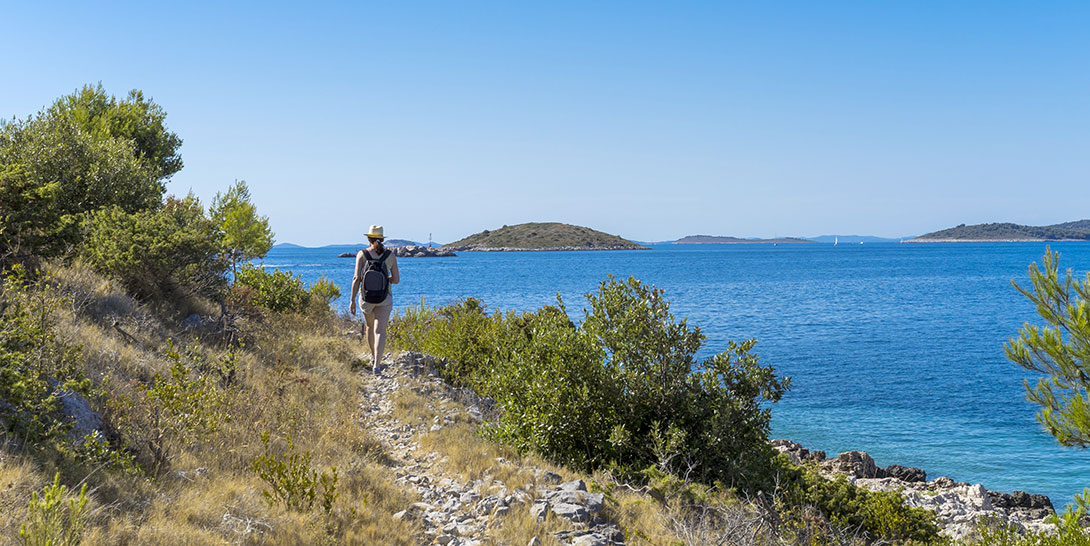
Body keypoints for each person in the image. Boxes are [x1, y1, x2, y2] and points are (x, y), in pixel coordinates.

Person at [350, 225, 399, 373]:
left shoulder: (362, 254)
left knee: (370, 327)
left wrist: (352, 300)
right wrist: (386, 279)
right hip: (384, 298)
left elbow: (357, 278)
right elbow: (396, 280)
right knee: (380, 331)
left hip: (366, 298)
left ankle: (372, 356)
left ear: (369, 239)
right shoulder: (390, 256)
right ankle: (377, 365)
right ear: (382, 239)